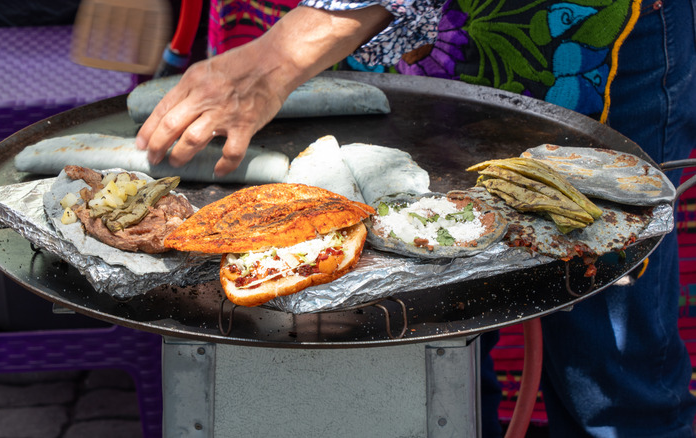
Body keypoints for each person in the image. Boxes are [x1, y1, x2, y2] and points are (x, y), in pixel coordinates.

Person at [136, 1, 696, 436]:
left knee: (612, 371)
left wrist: (276, 59)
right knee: (420, 342)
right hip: (375, 34)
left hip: (574, 33)